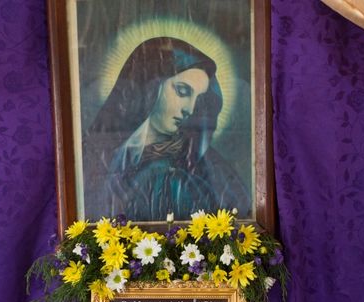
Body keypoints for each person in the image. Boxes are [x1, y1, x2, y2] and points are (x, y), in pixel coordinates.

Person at [82, 36, 251, 222]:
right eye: (183, 91)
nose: (190, 109)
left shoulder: (204, 166)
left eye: (199, 100)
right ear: (150, 86)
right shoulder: (99, 152)